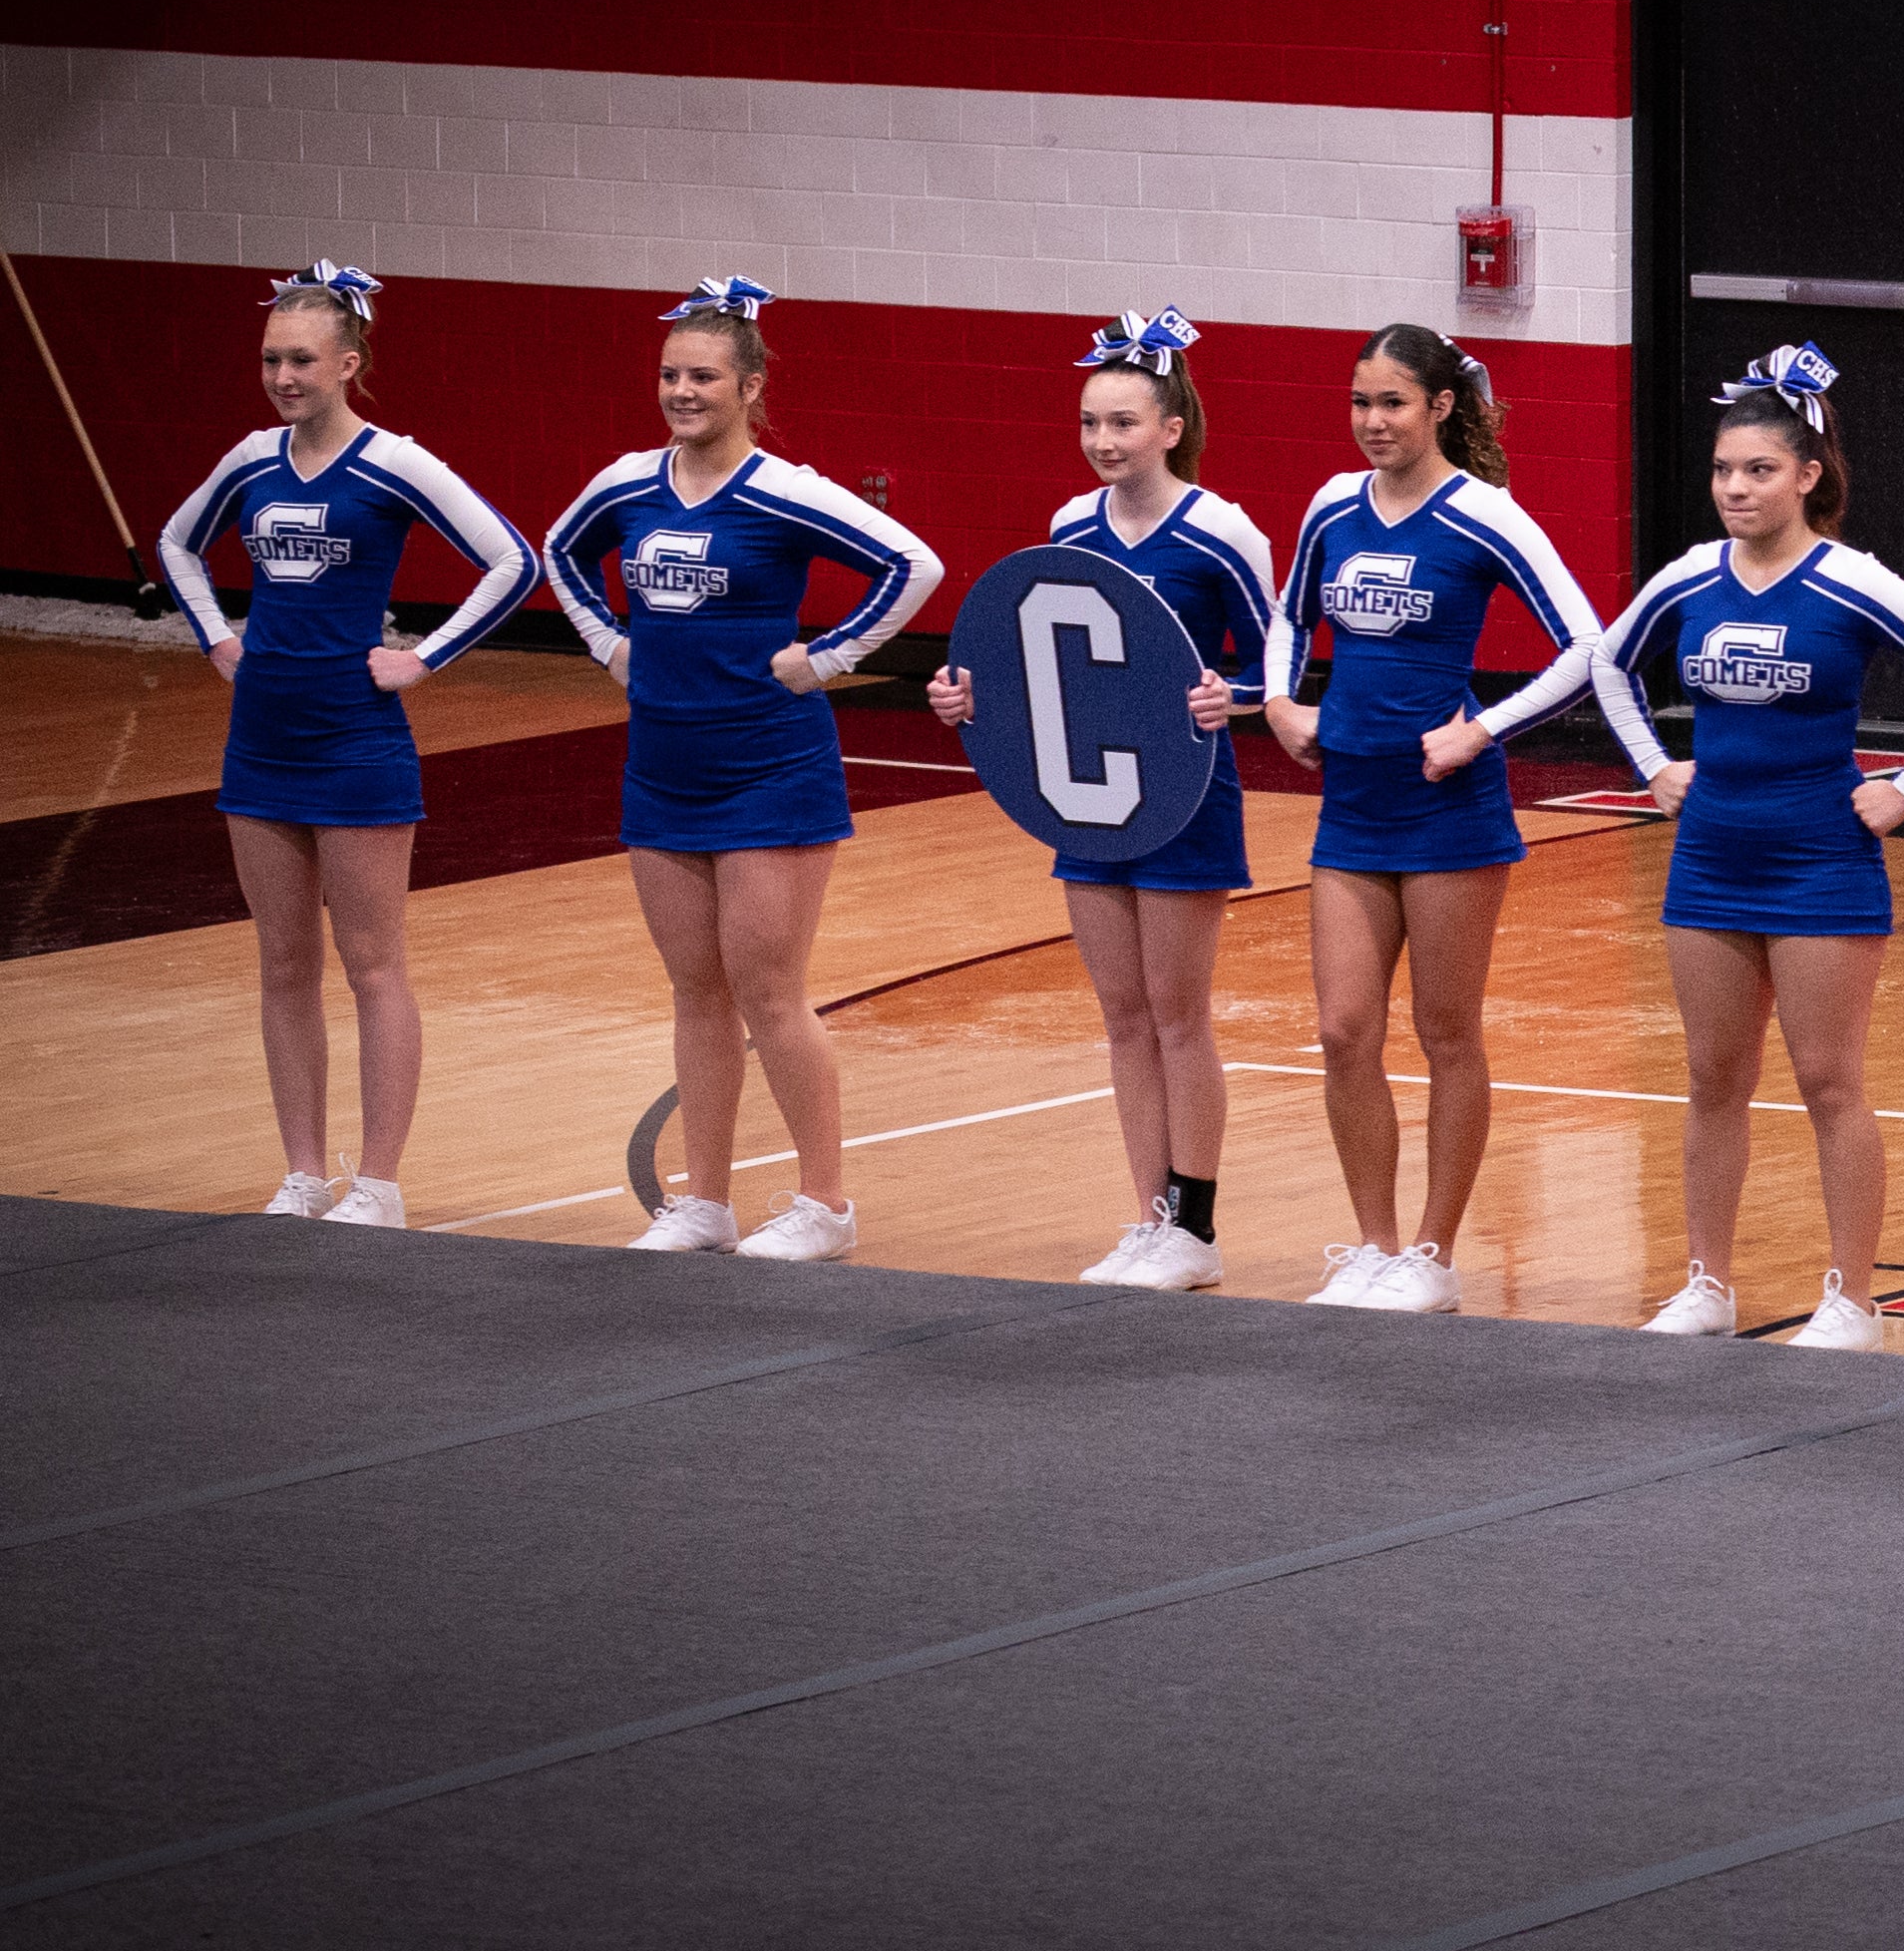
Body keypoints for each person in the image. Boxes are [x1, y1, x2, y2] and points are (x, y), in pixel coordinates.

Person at [538, 276, 944, 1263]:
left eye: (704, 376)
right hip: (663, 767)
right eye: (672, 374)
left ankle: (826, 1204)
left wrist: (830, 656)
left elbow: (912, 565)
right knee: (694, 991)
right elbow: (556, 549)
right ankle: (704, 1201)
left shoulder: (785, 492)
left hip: (771, 770)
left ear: (750, 386)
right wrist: (607, 642)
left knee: (770, 990)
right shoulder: (629, 484)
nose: (682, 391)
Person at [1262, 321, 1657, 1314]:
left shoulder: (1485, 517)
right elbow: (1286, 614)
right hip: (1351, 803)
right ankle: (1373, 1241)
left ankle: (1432, 1255)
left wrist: (1484, 729)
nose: (1373, 422)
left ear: (1441, 406)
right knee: (1345, 1028)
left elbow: (1589, 646)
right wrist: (1279, 701)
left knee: (1446, 1030)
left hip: (1449, 813)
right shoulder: (1330, 507)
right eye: (1360, 403)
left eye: (1392, 402)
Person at [1594, 348, 1904, 1351]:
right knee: (1710, 1078)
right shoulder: (1689, 574)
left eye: (1758, 469)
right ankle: (1705, 1283)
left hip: (1821, 857)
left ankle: (1853, 1297)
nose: (1735, 487)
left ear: (1806, 475)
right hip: (1711, 856)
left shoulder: (1853, 583)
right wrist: (1652, 764)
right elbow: (1609, 662)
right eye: (1724, 470)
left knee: (1828, 1082)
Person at [156, 264, 535, 1232]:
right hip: (262, 740)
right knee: (283, 963)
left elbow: (510, 559)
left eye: (301, 359)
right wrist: (218, 637)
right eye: (271, 358)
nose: (283, 375)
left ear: (348, 364)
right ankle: (302, 1173)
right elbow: (176, 542)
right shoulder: (250, 459)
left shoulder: (393, 464)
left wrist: (426, 657)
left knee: (373, 964)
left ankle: (378, 1182)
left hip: (360, 741)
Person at [924, 310, 1280, 1291]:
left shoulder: (1221, 531)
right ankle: (1148, 1217)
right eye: (1090, 422)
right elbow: (1036, 663)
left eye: (1122, 421)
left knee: (1177, 1013)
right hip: (1085, 796)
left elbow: (1277, 656)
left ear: (1172, 425)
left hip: (1185, 792)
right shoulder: (1068, 525)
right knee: (1122, 1014)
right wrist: (968, 696)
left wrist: (1236, 694)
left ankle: (1195, 1229)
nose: (1102, 440)